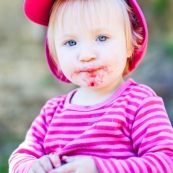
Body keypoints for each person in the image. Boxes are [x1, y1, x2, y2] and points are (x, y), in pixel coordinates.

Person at [9, 0, 173, 172]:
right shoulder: (51, 113)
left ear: (130, 45)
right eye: (71, 42)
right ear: (55, 54)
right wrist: (32, 167)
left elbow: (165, 162)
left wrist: (100, 168)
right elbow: (20, 157)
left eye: (102, 38)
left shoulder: (139, 103)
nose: (86, 55)